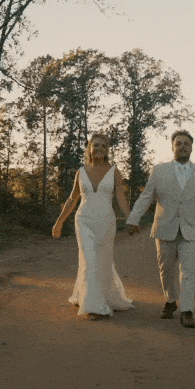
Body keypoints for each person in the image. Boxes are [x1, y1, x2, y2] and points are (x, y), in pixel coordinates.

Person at [126, 129, 195, 328]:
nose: (182, 146)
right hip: (165, 227)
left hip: (192, 229)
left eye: (186, 143)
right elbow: (146, 196)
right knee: (166, 269)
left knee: (189, 271)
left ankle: (187, 310)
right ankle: (170, 300)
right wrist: (133, 219)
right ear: (172, 147)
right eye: (178, 143)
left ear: (191, 147)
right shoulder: (158, 171)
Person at [53, 133, 134, 320]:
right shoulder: (80, 172)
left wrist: (131, 218)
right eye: (96, 145)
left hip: (106, 221)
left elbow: (121, 198)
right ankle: (93, 306)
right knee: (89, 258)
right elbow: (72, 198)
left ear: (107, 150)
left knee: (102, 260)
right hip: (84, 220)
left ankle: (96, 295)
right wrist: (59, 221)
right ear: (89, 148)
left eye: (103, 146)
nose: (99, 149)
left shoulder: (114, 171)